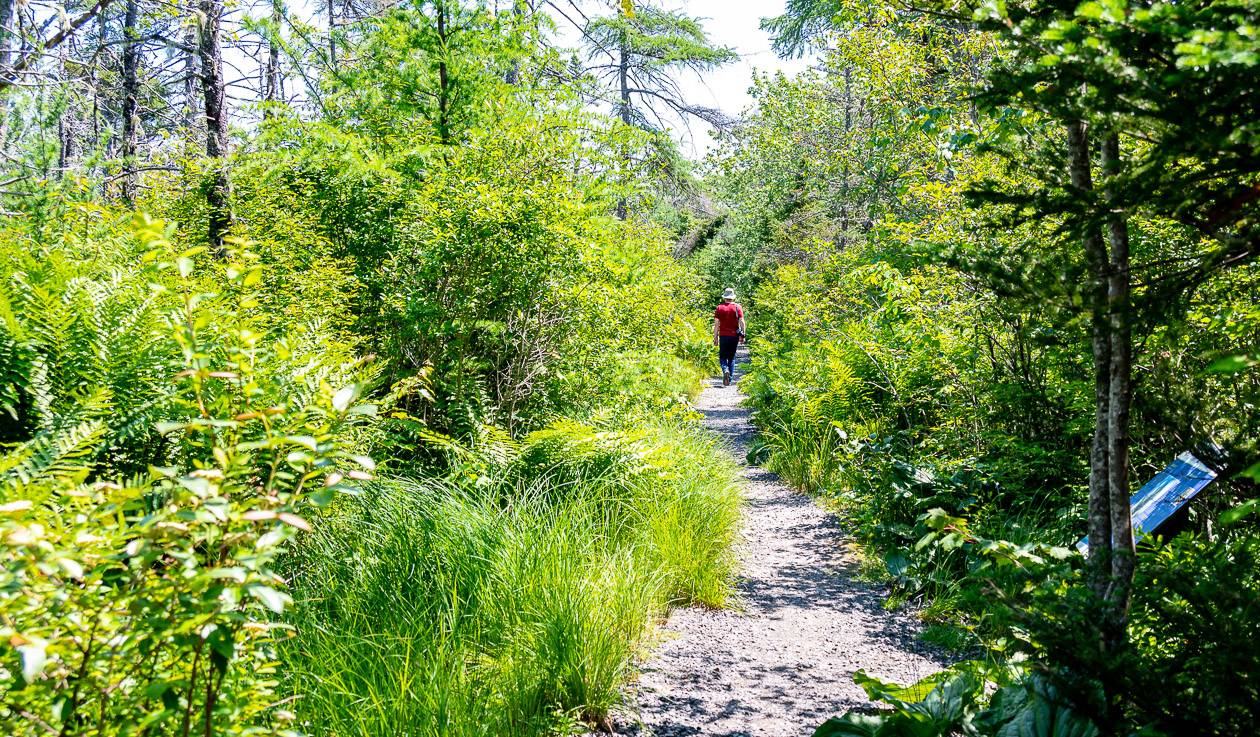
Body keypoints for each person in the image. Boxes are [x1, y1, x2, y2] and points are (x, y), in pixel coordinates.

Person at [713, 287, 745, 387]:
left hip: (723, 335)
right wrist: (743, 335)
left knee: (722, 357)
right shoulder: (737, 307)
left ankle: (725, 370)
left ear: (724, 297)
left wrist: (715, 337)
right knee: (731, 357)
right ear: (732, 297)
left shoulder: (719, 308)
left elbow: (717, 324)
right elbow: (742, 322)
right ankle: (729, 379)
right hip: (734, 336)